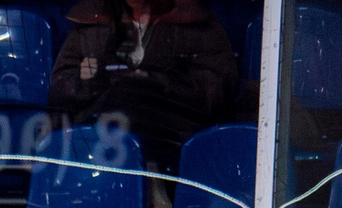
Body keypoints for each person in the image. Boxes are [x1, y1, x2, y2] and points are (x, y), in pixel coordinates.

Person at [49, 0, 238, 182]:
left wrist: (155, 83)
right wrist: (97, 84)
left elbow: (216, 91)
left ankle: (156, 195)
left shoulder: (197, 25)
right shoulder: (92, 23)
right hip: (99, 143)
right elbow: (60, 86)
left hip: (169, 145)